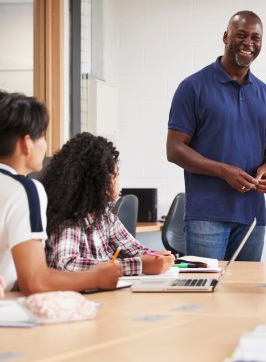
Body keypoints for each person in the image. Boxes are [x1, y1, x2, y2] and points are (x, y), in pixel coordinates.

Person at [166, 11, 266, 261]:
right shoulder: (193, 87)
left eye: (256, 37)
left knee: (246, 297)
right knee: (205, 294)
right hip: (206, 216)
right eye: (241, 35)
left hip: (252, 217)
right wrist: (223, 171)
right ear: (226, 36)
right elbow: (174, 149)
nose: (248, 43)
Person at [0, 90, 122, 295]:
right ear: (26, 143)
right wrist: (95, 277)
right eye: (43, 137)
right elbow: (34, 281)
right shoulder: (24, 190)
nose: (46, 147)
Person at [42, 132, 174, 275]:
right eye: (115, 174)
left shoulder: (106, 217)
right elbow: (66, 265)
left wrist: (154, 257)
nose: (118, 180)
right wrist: (138, 264)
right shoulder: (70, 221)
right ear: (97, 180)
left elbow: (135, 250)